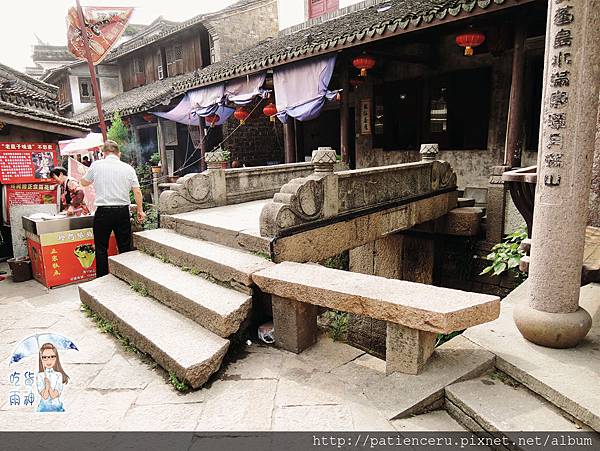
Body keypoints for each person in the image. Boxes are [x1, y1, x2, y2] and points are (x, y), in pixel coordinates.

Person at [80, 140, 145, 277]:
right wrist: (140, 210)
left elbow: (84, 182)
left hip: (103, 212)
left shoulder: (96, 165)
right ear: (118, 153)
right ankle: (126, 275)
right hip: (122, 211)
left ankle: (102, 277)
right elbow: (137, 192)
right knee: (124, 246)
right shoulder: (128, 168)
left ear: (104, 153)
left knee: (101, 247)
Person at [36, 342, 69, 412]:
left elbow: (54, 395)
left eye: (52, 357)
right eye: (44, 357)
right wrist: (46, 387)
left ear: (56, 358)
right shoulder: (40, 375)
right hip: (42, 408)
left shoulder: (59, 375)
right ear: (41, 359)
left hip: (57, 408)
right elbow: (45, 396)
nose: (49, 360)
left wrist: (49, 386)